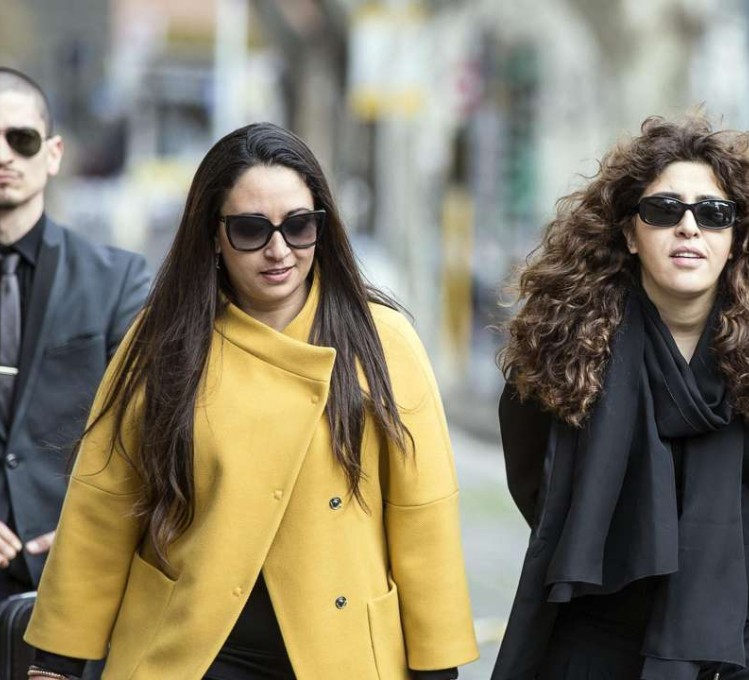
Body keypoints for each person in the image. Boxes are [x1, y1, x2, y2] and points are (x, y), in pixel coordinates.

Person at [23, 122, 479, 679]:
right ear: (214, 234)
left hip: (343, 653)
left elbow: (423, 516)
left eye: (299, 226)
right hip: (189, 651)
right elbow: (103, 505)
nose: (278, 250)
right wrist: (58, 663)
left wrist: (438, 668)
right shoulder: (165, 339)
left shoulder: (382, 340)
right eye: (250, 229)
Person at [491, 115, 749, 680]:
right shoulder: (557, 358)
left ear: (736, 239)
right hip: (599, 643)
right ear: (631, 234)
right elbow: (538, 489)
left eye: (713, 214)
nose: (689, 228)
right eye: (664, 210)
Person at [0, 66, 149, 598]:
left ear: (53, 153)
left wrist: (95, 533)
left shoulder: (119, 281)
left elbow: (148, 431)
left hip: (71, 585)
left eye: (21, 139)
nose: (4, 157)